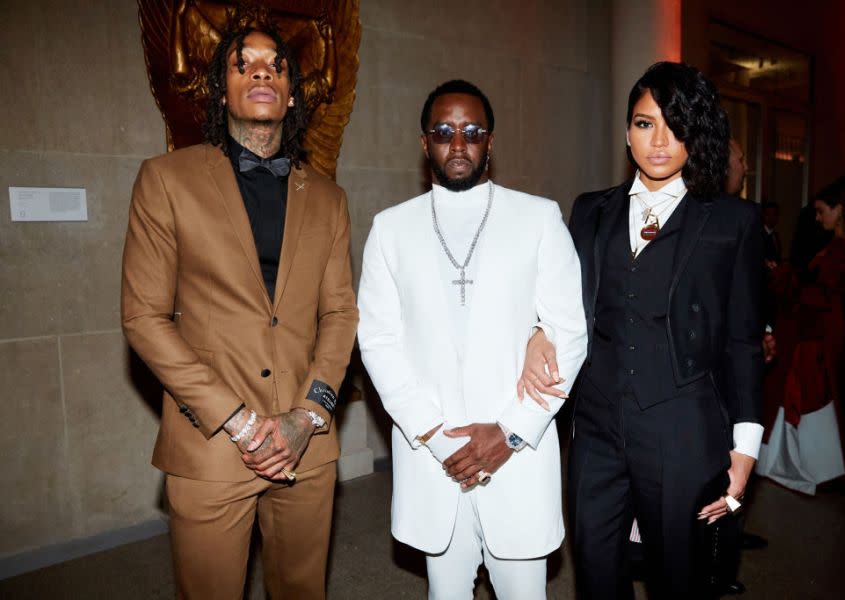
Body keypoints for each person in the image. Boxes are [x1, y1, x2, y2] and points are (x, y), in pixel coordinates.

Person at [121, 24, 358, 599]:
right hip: (211, 442)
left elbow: (340, 315)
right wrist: (241, 421)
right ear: (220, 90)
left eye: (276, 65)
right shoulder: (165, 180)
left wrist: (307, 417)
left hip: (307, 441)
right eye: (241, 63)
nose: (261, 71)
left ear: (292, 93)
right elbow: (144, 317)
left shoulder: (329, 197)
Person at [522, 62, 764, 598]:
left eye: (676, 126)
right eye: (644, 123)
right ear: (627, 131)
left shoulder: (731, 222)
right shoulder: (590, 211)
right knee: (595, 567)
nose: (659, 142)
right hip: (598, 427)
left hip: (683, 429)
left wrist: (745, 448)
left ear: (695, 134)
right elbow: (562, 297)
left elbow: (743, 340)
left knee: (679, 576)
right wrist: (540, 328)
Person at [357, 80, 587, 599]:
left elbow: (569, 334)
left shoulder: (538, 217)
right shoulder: (390, 229)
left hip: (519, 456)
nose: (457, 144)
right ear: (424, 143)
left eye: (471, 132)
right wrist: (439, 439)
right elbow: (377, 340)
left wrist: (509, 433)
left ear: (490, 141)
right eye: (443, 131)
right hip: (434, 460)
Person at [758, 184, 845, 494]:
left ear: (840, 211)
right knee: (815, 399)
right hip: (824, 332)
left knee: (805, 396)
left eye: (822, 211)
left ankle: (814, 466)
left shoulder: (841, 252)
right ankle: (821, 464)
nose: (818, 219)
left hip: (818, 335)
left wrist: (783, 278)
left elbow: (820, 297)